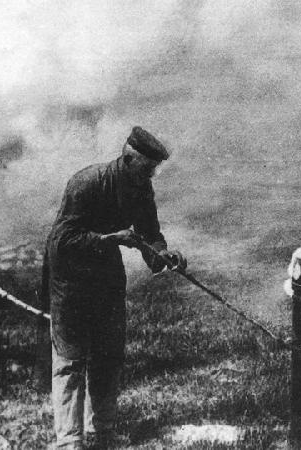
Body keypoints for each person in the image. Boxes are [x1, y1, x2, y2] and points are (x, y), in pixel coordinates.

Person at [46, 125, 186, 449]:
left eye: (154, 170)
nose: (151, 176)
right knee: (71, 360)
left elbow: (150, 233)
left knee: (108, 357)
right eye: (148, 169)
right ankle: (69, 441)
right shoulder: (86, 182)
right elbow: (62, 240)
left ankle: (102, 432)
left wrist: (163, 255)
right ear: (128, 160)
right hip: (71, 279)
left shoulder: (141, 188)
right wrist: (111, 239)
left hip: (106, 277)